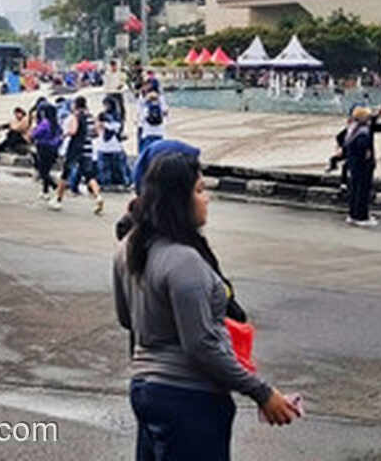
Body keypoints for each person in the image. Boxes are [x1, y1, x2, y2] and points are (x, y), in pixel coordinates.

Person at [114, 149, 298, 459]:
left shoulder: (129, 248)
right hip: (189, 400)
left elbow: (126, 318)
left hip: (146, 391)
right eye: (199, 190)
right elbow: (201, 346)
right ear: (177, 200)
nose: (207, 198)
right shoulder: (184, 261)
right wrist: (263, 393)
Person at [51, 96, 105, 215]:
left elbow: (73, 131)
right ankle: (98, 197)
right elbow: (97, 131)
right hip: (88, 148)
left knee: (66, 173)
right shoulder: (91, 116)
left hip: (76, 147)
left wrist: (65, 134)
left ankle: (58, 199)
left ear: (76, 105)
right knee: (89, 175)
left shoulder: (76, 116)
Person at [97, 96, 132, 188]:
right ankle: (108, 183)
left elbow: (116, 127)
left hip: (112, 144)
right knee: (107, 166)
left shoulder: (115, 116)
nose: (105, 106)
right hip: (106, 144)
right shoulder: (105, 115)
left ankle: (123, 182)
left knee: (116, 166)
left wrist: (104, 124)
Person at [29, 102, 62, 195]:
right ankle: (45, 191)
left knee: (42, 171)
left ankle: (54, 186)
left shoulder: (44, 123)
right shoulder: (56, 123)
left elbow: (34, 134)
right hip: (53, 148)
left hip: (43, 147)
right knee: (47, 169)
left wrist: (33, 130)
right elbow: (60, 136)